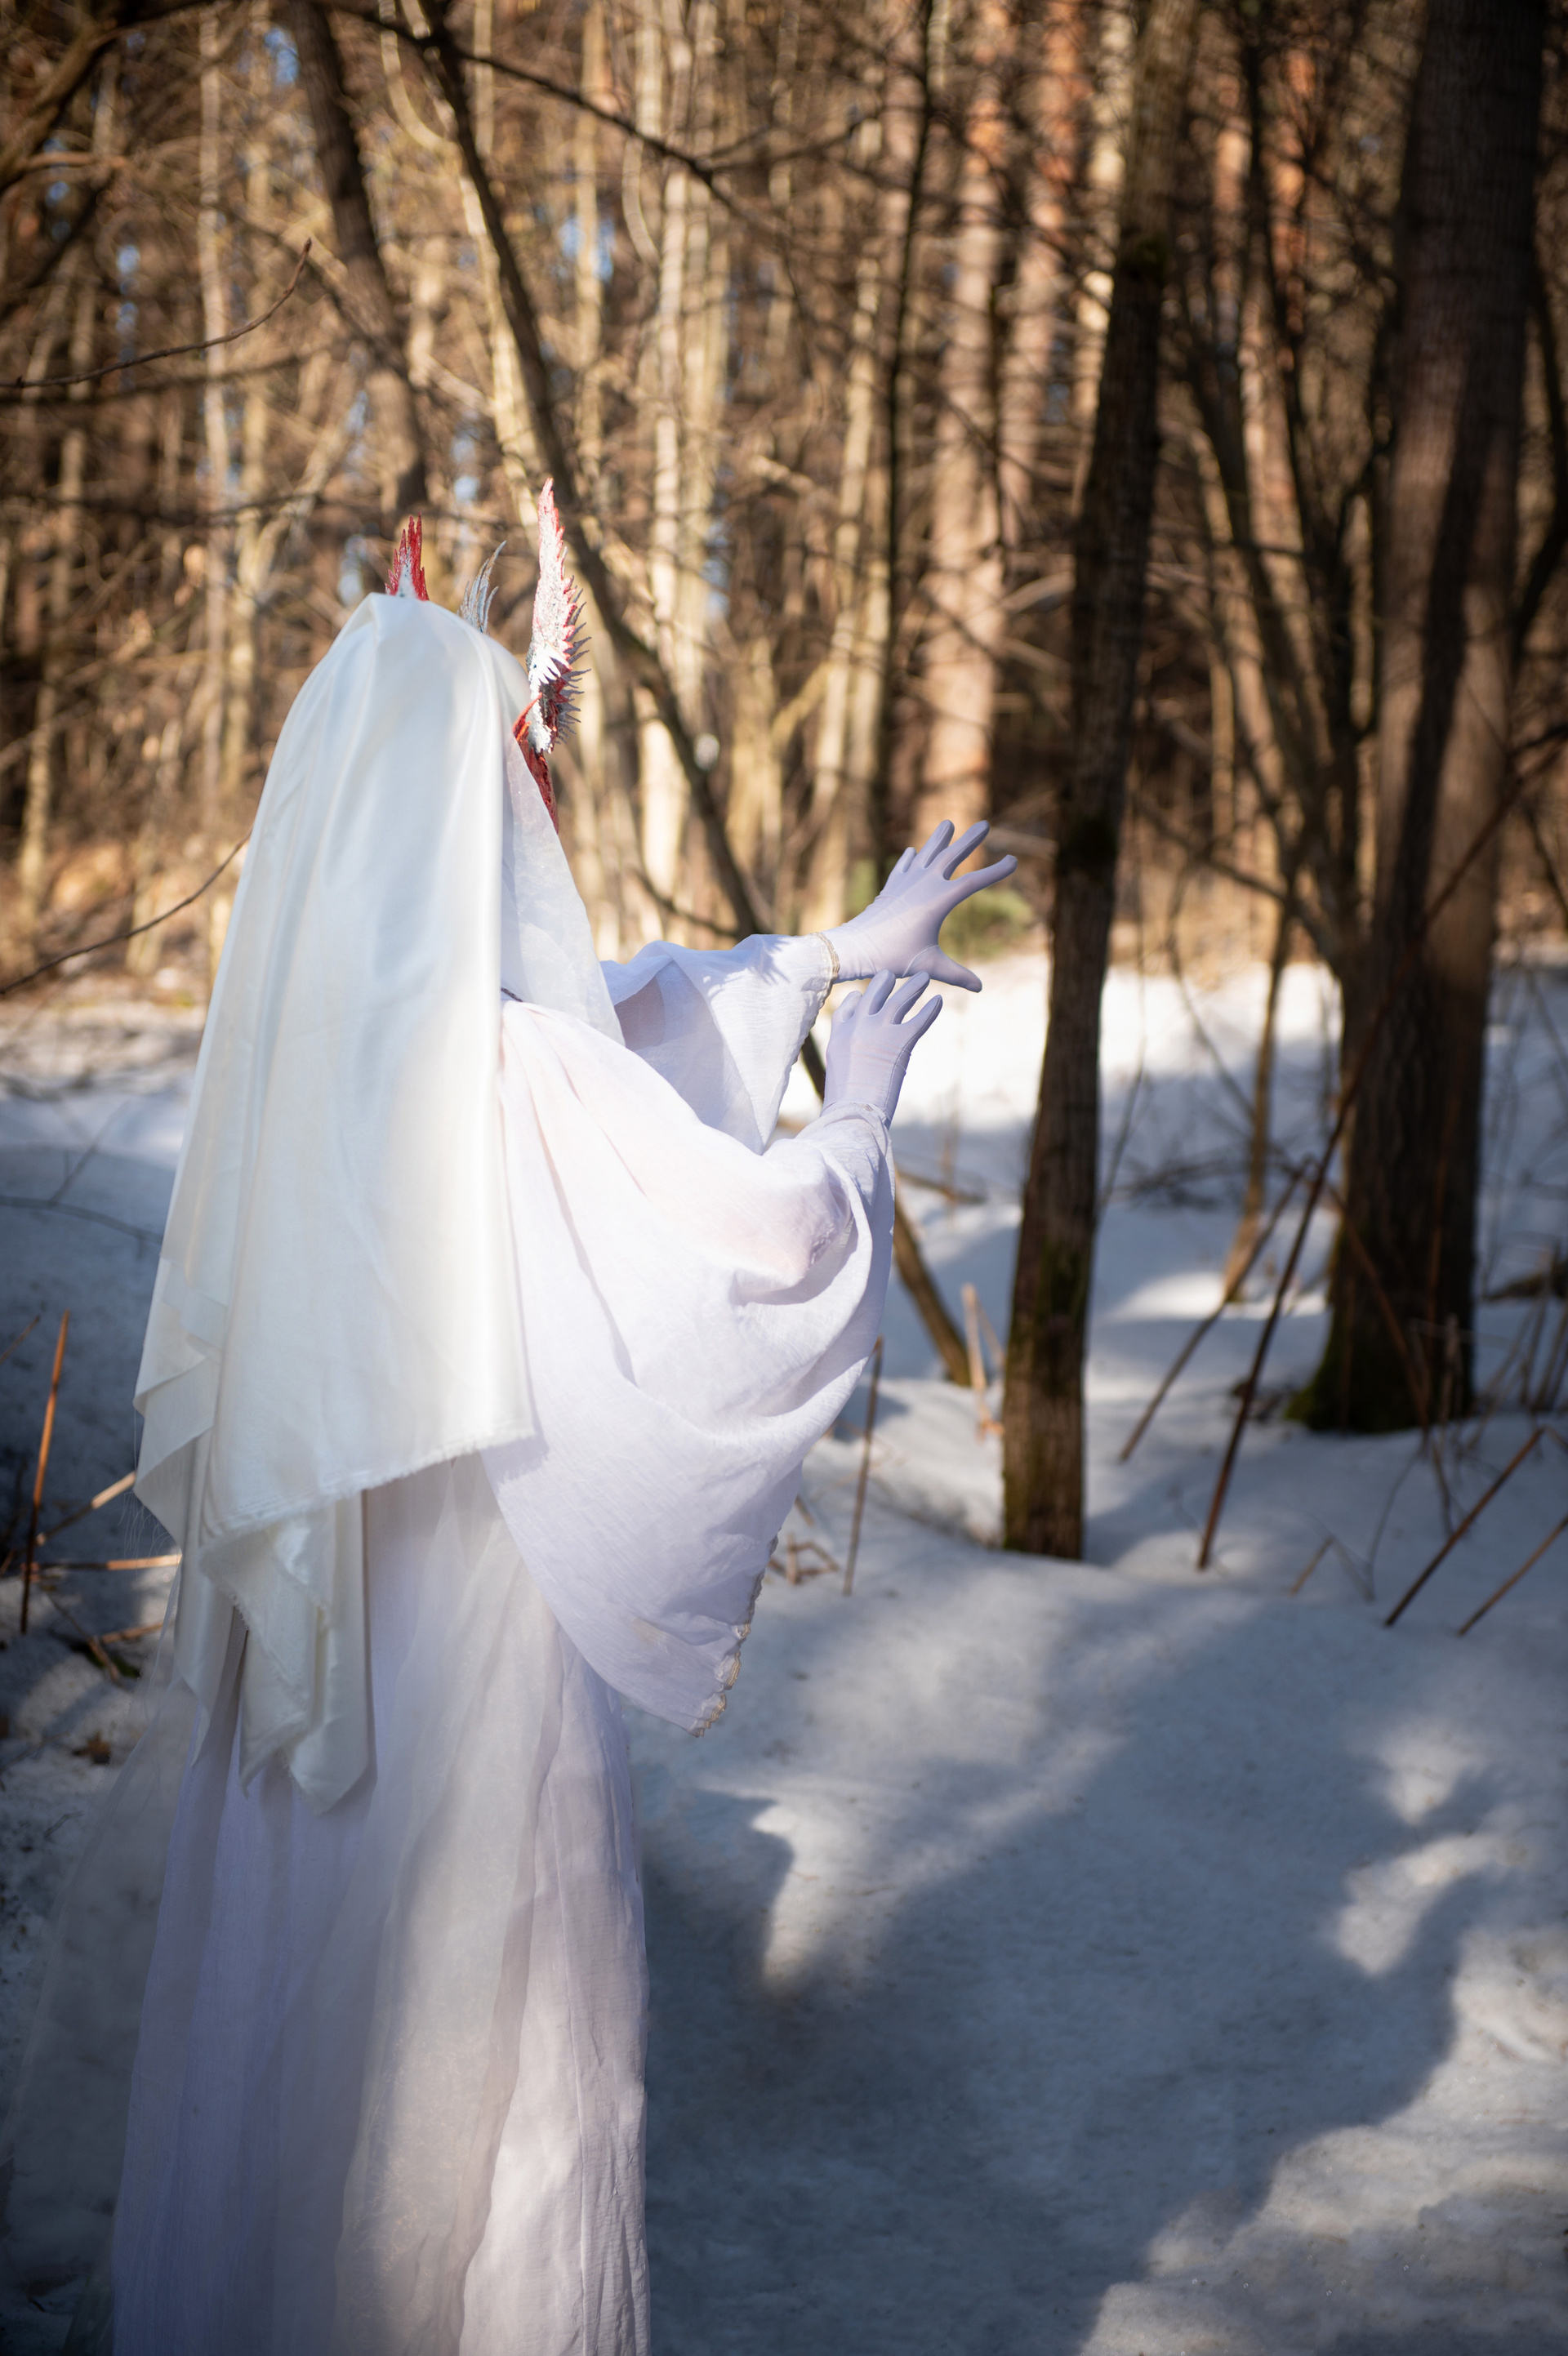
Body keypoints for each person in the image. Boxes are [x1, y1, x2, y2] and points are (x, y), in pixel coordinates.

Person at [0, 491, 1016, 2356]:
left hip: (323, 1646)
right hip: (470, 1647)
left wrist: (814, 956)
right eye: (511, 780)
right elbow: (750, 1243)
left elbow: (624, 1020)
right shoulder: (501, 1061)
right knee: (481, 2020)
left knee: (302, 1989)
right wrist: (858, 1125)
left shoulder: (328, 1047)